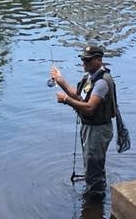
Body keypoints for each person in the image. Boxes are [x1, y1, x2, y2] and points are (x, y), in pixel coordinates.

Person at [50, 44, 116, 203]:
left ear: (99, 60)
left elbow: (90, 108)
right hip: (91, 128)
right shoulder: (91, 77)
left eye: (88, 60)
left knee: (94, 165)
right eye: (83, 59)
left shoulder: (101, 82)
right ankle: (93, 200)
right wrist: (60, 81)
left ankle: (95, 200)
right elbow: (79, 96)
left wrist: (66, 100)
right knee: (91, 164)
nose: (84, 63)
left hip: (98, 130)